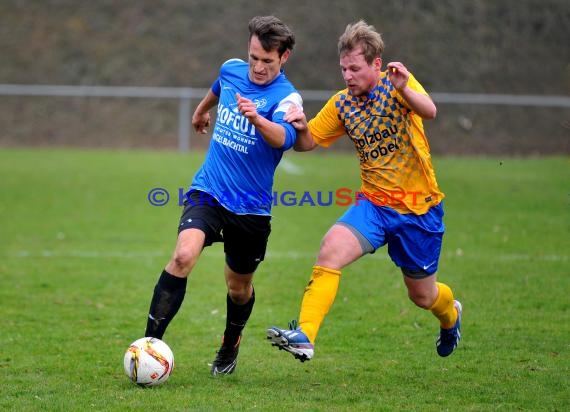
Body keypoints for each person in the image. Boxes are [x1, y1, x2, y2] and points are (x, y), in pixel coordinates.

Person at [267, 20, 462, 361]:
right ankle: (305, 335)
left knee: (422, 296)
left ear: (375, 64)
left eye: (355, 68)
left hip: (418, 209)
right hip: (373, 205)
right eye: (343, 68)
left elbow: (429, 111)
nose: (348, 75)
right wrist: (299, 126)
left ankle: (451, 316)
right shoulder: (342, 104)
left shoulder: (397, 82)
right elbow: (308, 142)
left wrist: (405, 89)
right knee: (330, 249)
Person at [143, 15, 302, 376]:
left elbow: (287, 139)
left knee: (239, 288)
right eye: (254, 59)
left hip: (251, 210)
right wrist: (201, 110)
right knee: (183, 256)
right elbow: (218, 85)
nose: (258, 68)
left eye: (268, 61)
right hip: (209, 190)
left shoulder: (287, 98)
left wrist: (257, 119)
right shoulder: (232, 70)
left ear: (284, 58)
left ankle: (230, 343)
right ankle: (148, 345)